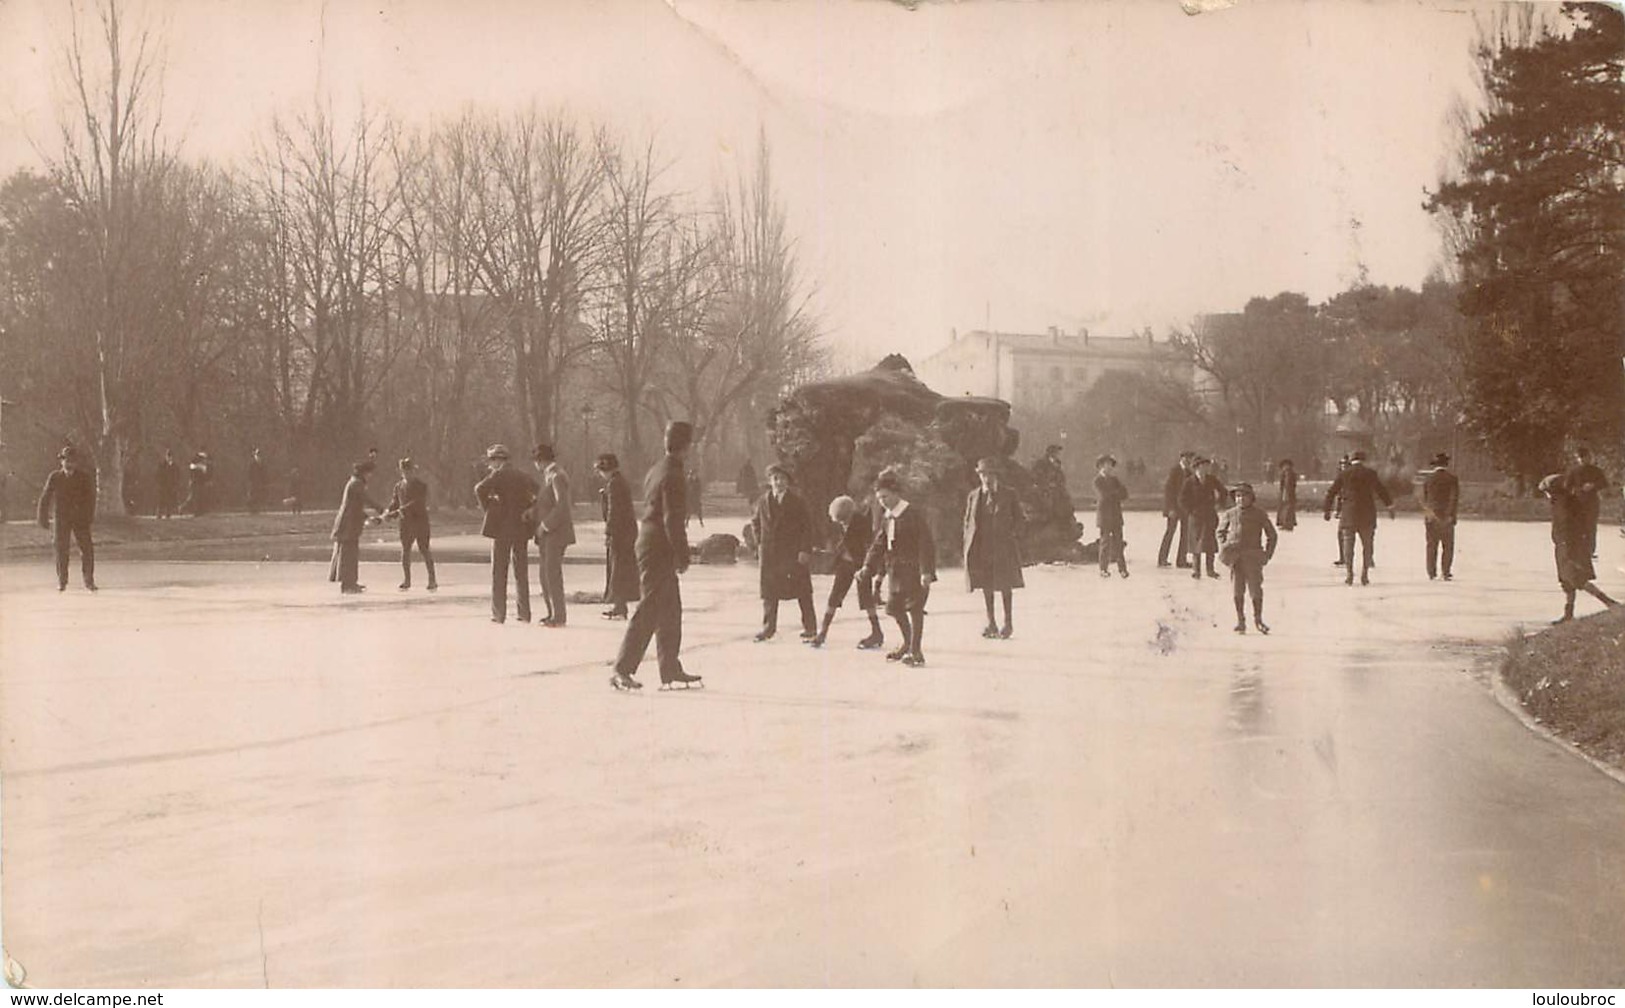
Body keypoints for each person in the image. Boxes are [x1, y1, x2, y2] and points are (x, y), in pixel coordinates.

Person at [611, 420, 703, 690]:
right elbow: (672, 519)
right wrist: (682, 554)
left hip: (651, 542)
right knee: (650, 608)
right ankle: (622, 668)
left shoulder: (658, 468)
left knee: (670, 609)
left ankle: (670, 667)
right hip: (658, 546)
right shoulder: (673, 474)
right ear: (687, 446)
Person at [859, 468, 937, 667]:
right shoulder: (887, 517)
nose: (882, 501)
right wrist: (867, 567)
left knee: (915, 609)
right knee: (893, 608)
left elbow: (925, 543)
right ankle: (907, 643)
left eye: (885, 496)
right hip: (895, 570)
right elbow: (879, 544)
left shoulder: (912, 514)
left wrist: (926, 571)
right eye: (879, 498)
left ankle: (916, 651)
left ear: (895, 494)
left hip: (914, 570)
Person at [1540, 473, 1619, 623]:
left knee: (1576, 578)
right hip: (1563, 546)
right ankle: (1568, 614)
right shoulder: (1563, 502)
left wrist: (1571, 546)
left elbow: (1568, 526)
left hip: (1568, 546)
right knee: (1567, 582)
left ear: (1553, 491)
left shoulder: (1563, 503)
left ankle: (1609, 602)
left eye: (1547, 492)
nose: (1546, 495)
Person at [752, 463, 818, 642]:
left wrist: (805, 549)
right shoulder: (763, 501)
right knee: (769, 592)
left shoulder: (797, 502)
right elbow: (755, 523)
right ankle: (768, 628)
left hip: (792, 553)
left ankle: (810, 627)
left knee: (802, 591)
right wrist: (759, 543)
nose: (778, 482)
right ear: (769, 481)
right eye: (775, 478)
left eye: (782, 479)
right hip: (770, 554)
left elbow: (807, 527)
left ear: (788, 482)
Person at [809, 494, 884, 649]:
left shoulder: (861, 522)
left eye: (844, 520)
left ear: (849, 514)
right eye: (840, 521)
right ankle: (823, 632)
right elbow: (841, 541)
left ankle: (877, 632)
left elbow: (869, 546)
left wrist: (867, 567)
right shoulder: (841, 523)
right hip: (845, 563)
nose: (843, 524)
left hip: (860, 564)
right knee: (835, 595)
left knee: (866, 598)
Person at [474, 444, 538, 624]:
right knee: (521, 572)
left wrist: (489, 508)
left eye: (491, 460)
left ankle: (498, 613)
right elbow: (539, 491)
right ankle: (524, 613)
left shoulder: (497, 475)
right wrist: (530, 508)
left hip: (501, 528)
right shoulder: (522, 475)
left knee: (499, 572)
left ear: (497, 460)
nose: (490, 465)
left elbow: (479, 489)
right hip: (521, 528)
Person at [963, 456, 1025, 638]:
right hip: (982, 547)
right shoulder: (974, 496)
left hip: (1003, 548)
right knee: (986, 586)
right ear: (979, 475)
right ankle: (991, 622)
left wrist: (1012, 535)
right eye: (983, 474)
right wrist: (967, 542)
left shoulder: (1009, 494)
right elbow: (967, 521)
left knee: (1006, 586)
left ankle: (1008, 623)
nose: (986, 478)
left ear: (996, 475)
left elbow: (1020, 519)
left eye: (990, 474)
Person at [1322, 449, 1394, 586]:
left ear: (1351, 460)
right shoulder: (1371, 474)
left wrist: (1327, 510)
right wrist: (1389, 506)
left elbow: (1331, 492)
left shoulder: (1344, 473)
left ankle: (1349, 574)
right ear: (1364, 460)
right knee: (1367, 545)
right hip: (1367, 514)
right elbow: (1381, 490)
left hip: (1349, 514)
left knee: (1348, 545)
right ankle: (1365, 574)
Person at [1217, 482, 1278, 634]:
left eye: (1244, 496)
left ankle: (1258, 620)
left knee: (1255, 589)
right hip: (1235, 558)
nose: (1241, 499)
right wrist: (1224, 547)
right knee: (1237, 590)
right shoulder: (1230, 514)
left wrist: (1267, 554)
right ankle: (1240, 620)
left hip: (1253, 558)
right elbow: (1220, 532)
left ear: (1251, 498)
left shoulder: (1259, 514)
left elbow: (1272, 535)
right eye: (1238, 496)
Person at [37, 446, 97, 591]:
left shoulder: (84, 477)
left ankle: (89, 580)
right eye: (66, 460)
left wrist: (88, 517)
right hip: (61, 518)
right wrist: (42, 517)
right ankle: (62, 581)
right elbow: (45, 497)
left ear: (76, 462)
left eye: (72, 461)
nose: (69, 464)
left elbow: (91, 499)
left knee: (86, 549)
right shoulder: (55, 477)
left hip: (80, 518)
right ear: (61, 462)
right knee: (61, 549)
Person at [530, 443, 575, 627]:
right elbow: (547, 503)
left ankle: (558, 615)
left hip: (555, 534)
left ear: (539, 461)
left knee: (551, 574)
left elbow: (562, 506)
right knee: (546, 575)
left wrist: (545, 525)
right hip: (550, 535)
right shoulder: (550, 475)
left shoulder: (556, 476)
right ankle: (552, 613)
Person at [595, 453, 640, 620]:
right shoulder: (618, 482)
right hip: (626, 532)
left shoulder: (614, 484)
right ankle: (619, 605)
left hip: (620, 533)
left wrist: (609, 532)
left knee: (618, 569)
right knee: (620, 568)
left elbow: (613, 511)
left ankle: (620, 607)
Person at [328, 460, 382, 594]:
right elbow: (365, 500)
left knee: (350, 553)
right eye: (370, 474)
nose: (371, 477)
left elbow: (357, 506)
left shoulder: (355, 482)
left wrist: (369, 517)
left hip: (350, 523)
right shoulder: (356, 484)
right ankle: (348, 584)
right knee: (348, 554)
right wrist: (380, 510)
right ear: (365, 473)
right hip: (348, 524)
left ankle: (351, 582)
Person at [385, 457, 437, 591]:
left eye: (409, 470)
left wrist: (400, 510)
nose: (407, 473)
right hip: (405, 523)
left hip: (420, 521)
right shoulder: (398, 486)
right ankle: (406, 580)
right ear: (401, 471)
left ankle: (432, 579)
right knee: (405, 550)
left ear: (414, 471)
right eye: (404, 471)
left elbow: (418, 502)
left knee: (424, 550)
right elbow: (394, 503)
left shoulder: (421, 486)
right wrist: (388, 513)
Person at [1180, 457, 1225, 580]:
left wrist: (1219, 504)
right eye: (1203, 466)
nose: (1206, 468)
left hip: (1210, 515)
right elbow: (1182, 499)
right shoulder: (1189, 482)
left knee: (1210, 544)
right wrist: (1190, 511)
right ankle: (1196, 570)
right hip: (1196, 517)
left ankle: (1210, 570)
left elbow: (1223, 491)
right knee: (1196, 544)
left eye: (1207, 466)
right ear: (1197, 467)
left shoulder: (1211, 479)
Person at [1563, 446, 1610, 560]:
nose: (1583, 460)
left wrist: (1593, 485)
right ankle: (1579, 550)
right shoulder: (1574, 471)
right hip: (1577, 502)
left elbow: (1604, 483)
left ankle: (1590, 550)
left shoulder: (1596, 470)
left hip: (1592, 502)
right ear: (1578, 459)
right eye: (1581, 458)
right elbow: (1566, 486)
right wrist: (1574, 492)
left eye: (1586, 457)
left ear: (1589, 457)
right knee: (1578, 526)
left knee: (1591, 527)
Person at [1421, 452, 1460, 581]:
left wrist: (1428, 513)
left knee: (1431, 544)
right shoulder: (1452, 479)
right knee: (1448, 545)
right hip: (1446, 516)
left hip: (1432, 516)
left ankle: (1431, 572)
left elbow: (1425, 498)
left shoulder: (1428, 479)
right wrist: (1451, 515)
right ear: (1446, 464)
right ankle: (1446, 571)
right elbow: (1454, 498)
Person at [1093, 453, 1130, 579]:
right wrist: (1116, 494)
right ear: (1100, 466)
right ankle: (1103, 569)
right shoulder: (1097, 481)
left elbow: (1125, 494)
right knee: (1104, 543)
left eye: (1110, 465)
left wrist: (1113, 494)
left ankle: (1122, 569)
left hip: (1116, 516)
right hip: (1104, 517)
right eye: (1106, 465)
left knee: (1119, 543)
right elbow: (1103, 497)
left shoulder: (1115, 480)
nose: (1108, 467)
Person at [1158, 451, 1194, 568]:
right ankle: (1162, 559)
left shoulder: (1189, 473)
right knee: (1170, 532)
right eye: (1187, 458)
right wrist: (1170, 509)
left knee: (1185, 534)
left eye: (1190, 458)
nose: (1188, 460)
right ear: (1182, 458)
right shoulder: (1174, 471)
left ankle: (1181, 560)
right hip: (1174, 508)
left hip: (1184, 509)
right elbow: (1168, 491)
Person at [183, 451, 212, 516]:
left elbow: (205, 476)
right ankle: (184, 509)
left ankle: (199, 511)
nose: (205, 460)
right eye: (203, 459)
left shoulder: (203, 467)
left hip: (200, 484)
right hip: (195, 484)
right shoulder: (195, 466)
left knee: (199, 498)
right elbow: (194, 475)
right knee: (193, 497)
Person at [1275, 458, 1298, 531]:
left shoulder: (1287, 472)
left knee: (1286, 508)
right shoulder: (1290, 472)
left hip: (1287, 492)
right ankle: (1288, 523)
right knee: (1288, 508)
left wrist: (1285, 493)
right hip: (1290, 492)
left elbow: (1287, 483)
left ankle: (1286, 523)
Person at [155, 449, 179, 519]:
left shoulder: (175, 466)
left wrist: (175, 484)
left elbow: (177, 476)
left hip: (171, 486)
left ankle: (168, 514)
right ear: (166, 456)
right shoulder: (162, 465)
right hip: (163, 485)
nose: (169, 458)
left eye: (170, 456)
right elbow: (158, 475)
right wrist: (159, 483)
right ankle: (159, 514)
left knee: (170, 500)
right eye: (168, 456)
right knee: (161, 500)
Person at [247, 448, 268, 514]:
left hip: (258, 481)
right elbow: (249, 471)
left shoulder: (259, 460)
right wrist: (250, 480)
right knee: (253, 494)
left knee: (258, 494)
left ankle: (256, 508)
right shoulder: (251, 461)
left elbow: (262, 470)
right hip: (253, 480)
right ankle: (252, 509)